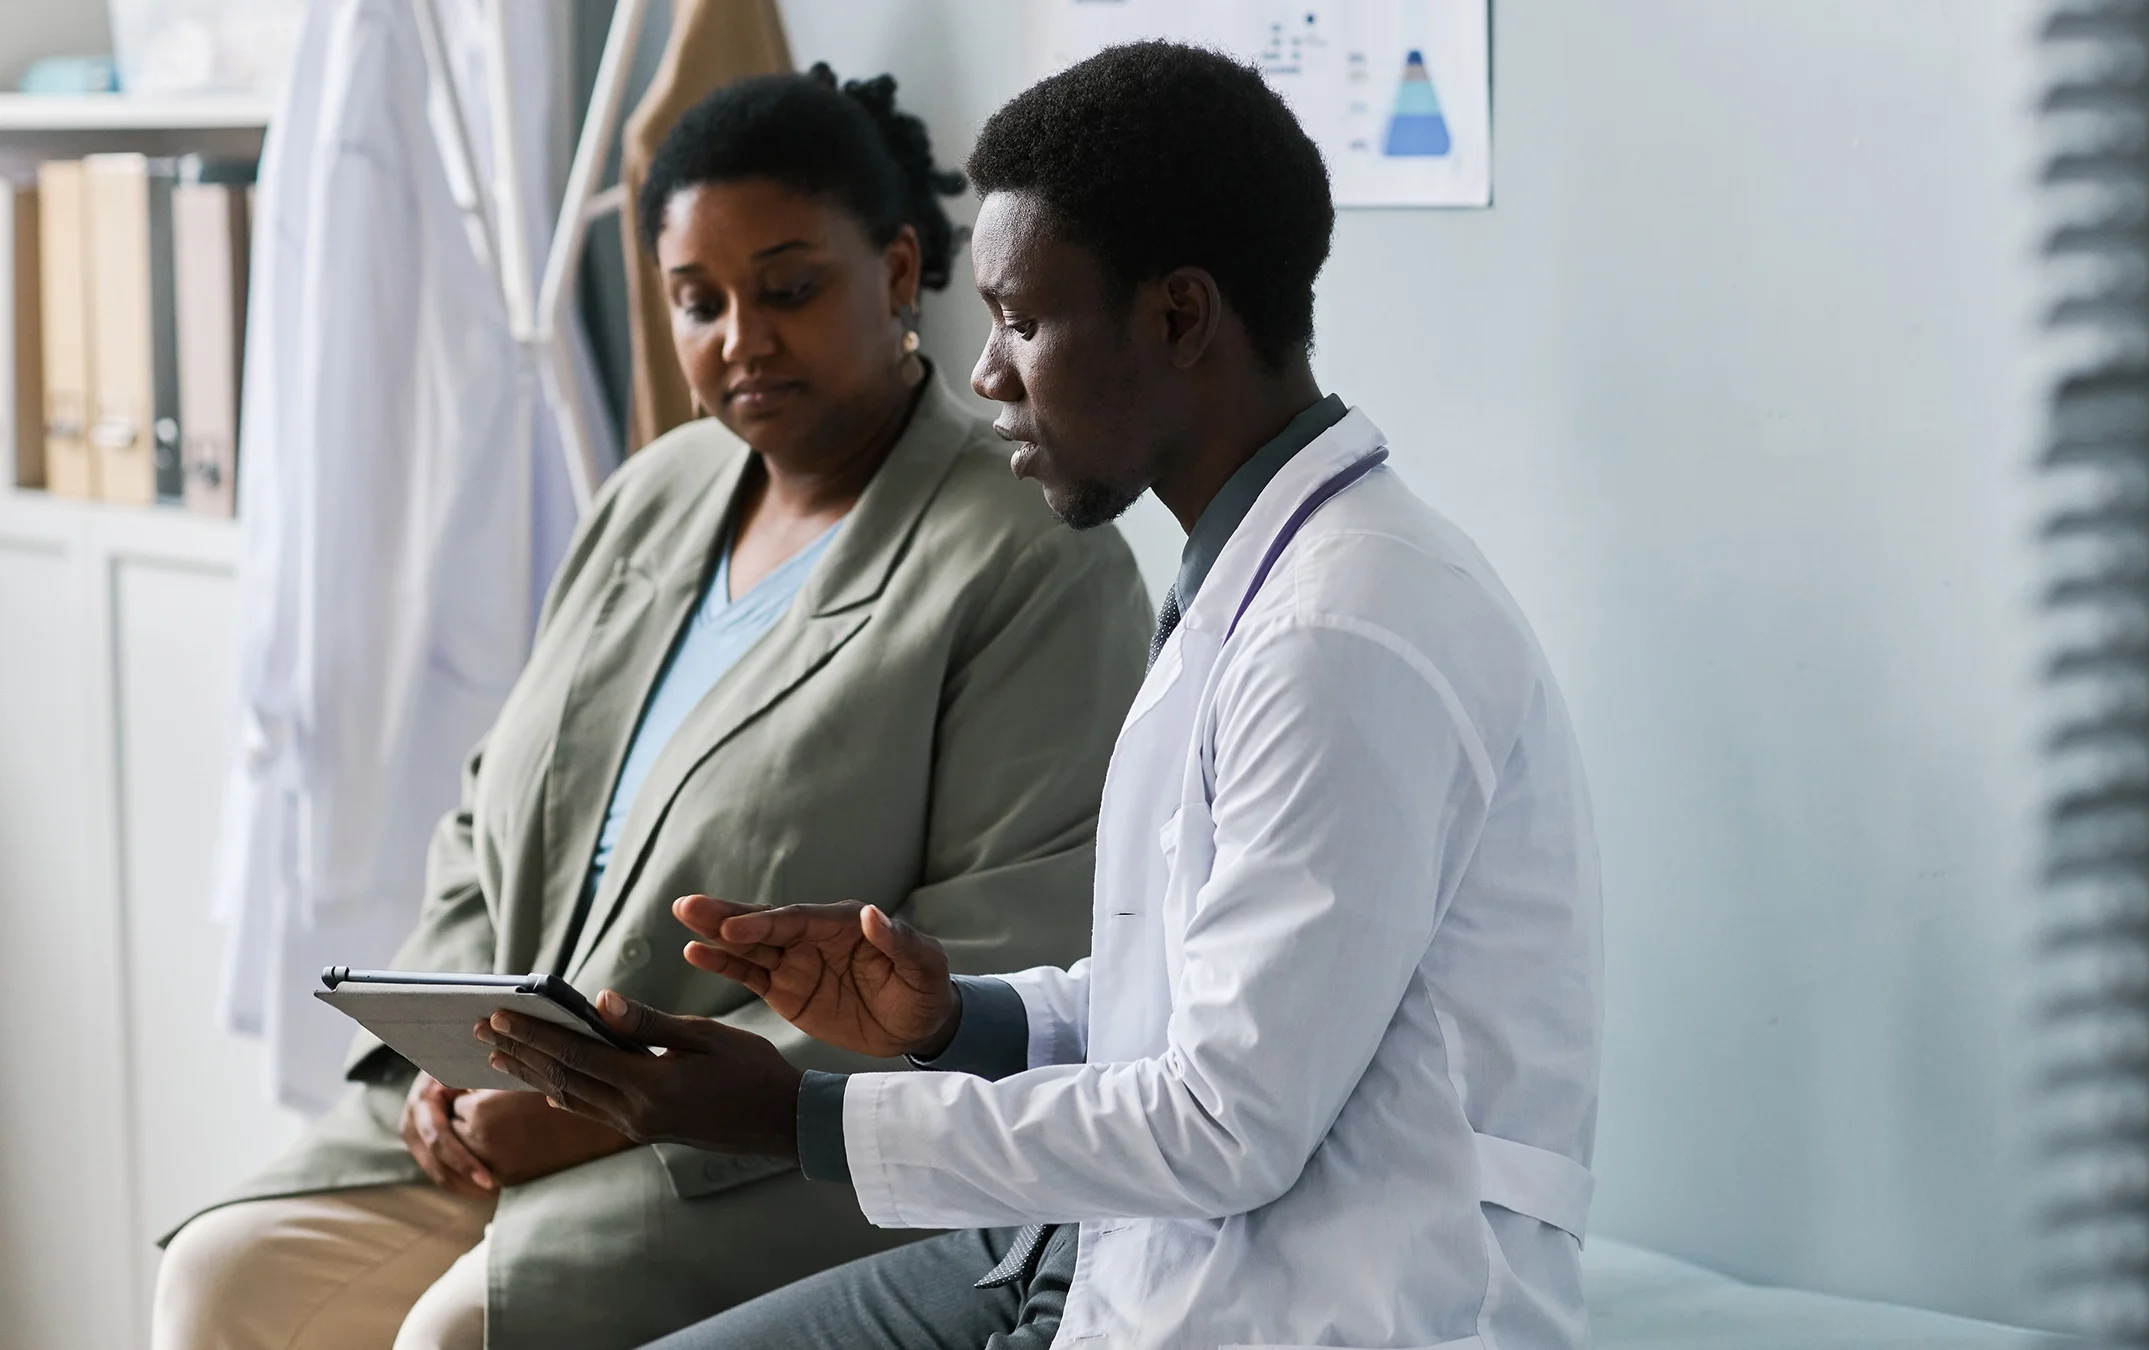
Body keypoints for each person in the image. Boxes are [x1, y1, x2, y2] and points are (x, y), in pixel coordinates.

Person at [479, 40, 1603, 1350]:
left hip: (1331, 1302)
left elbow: (1224, 1119)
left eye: (1019, 317)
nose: (986, 372)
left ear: (1179, 318)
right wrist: (957, 1015)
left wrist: (791, 1114)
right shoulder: (1252, 579)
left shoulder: (1344, 636)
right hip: (1132, 1246)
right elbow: (1190, 996)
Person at [153, 68, 1152, 1350]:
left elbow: (1003, 941)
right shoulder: (657, 492)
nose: (742, 337)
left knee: (464, 1330)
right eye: (698, 302)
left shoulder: (1024, 552)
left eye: (788, 288)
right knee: (225, 1279)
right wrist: (441, 1062)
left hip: (764, 1150)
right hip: (501, 1107)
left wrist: (601, 1099)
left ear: (900, 272)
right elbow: (484, 817)